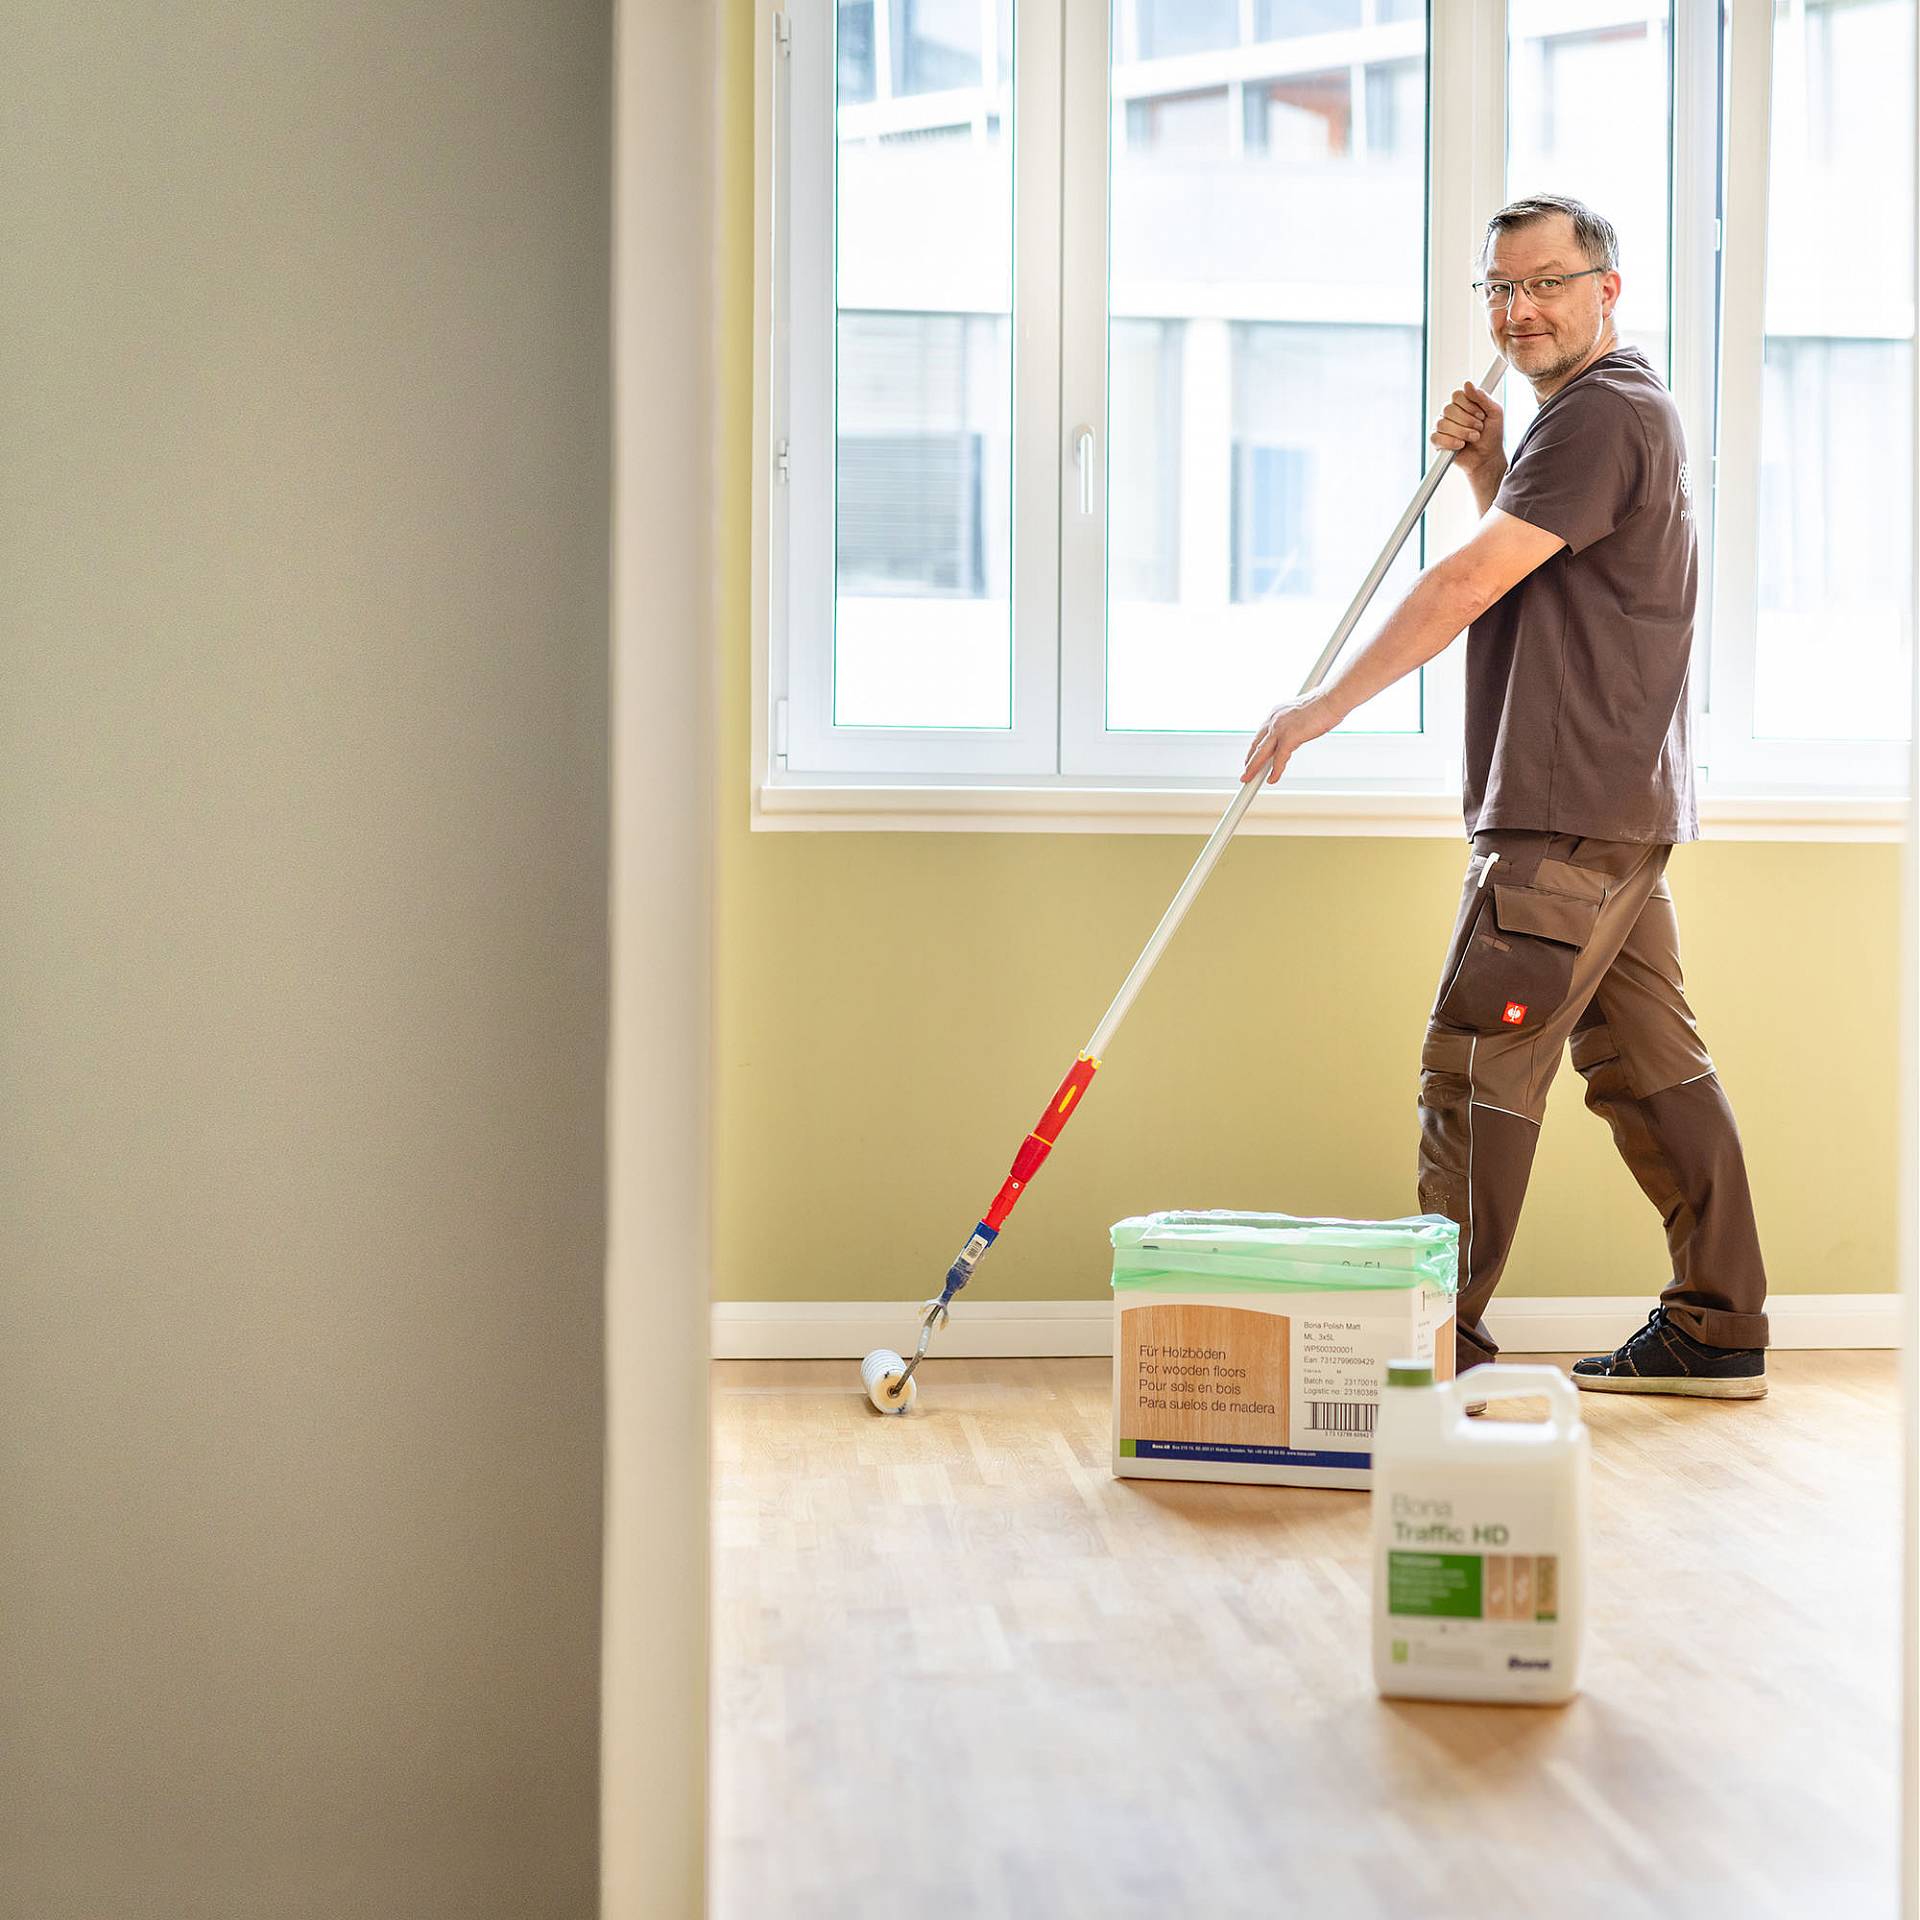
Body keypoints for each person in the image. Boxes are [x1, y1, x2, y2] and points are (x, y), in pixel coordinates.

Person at [1241, 193, 1769, 1400]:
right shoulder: (1597, 418)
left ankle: (1440, 1352)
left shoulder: (1599, 413)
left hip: (1564, 806)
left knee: (1472, 1064)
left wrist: (1322, 702)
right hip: (1615, 804)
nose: (1519, 308)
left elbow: (1475, 584)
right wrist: (1490, 464)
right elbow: (1551, 584)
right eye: (1499, 288)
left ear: (1607, 288)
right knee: (1648, 1064)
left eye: (1544, 283)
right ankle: (1719, 1325)